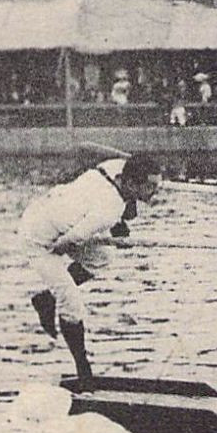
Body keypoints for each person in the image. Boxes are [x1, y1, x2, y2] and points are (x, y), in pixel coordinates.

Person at [18, 155, 163, 384]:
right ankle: (83, 371)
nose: (156, 192)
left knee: (102, 258)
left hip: (55, 211)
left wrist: (119, 222)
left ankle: (47, 299)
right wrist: (115, 227)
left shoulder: (114, 166)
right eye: (151, 187)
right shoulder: (109, 211)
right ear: (131, 183)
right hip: (40, 240)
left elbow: (125, 207)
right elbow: (69, 241)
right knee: (71, 304)